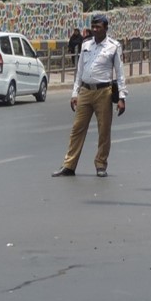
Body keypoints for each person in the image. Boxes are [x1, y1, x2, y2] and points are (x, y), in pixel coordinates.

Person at [52, 13, 126, 178]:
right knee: (77, 129)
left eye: (98, 27)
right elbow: (79, 71)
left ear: (105, 28)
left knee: (104, 130)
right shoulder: (86, 45)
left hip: (104, 92)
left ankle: (101, 164)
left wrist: (122, 97)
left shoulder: (113, 46)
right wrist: (74, 93)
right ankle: (69, 165)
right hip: (85, 91)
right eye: (93, 27)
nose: (94, 30)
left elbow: (120, 73)